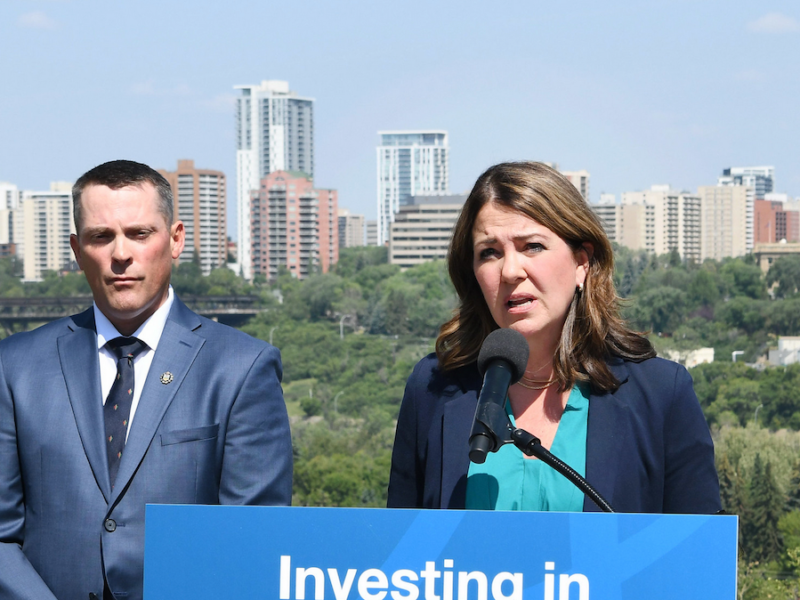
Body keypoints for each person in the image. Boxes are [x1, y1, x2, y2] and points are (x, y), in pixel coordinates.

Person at [0, 160, 293, 600]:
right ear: (77, 250)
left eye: (139, 233)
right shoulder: (15, 367)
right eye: (101, 236)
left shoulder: (241, 368)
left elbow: (252, 539)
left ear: (175, 240)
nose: (121, 254)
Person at [387, 162, 720, 514]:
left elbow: (696, 546)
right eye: (489, 252)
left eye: (532, 246)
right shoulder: (432, 388)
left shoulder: (663, 394)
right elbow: (399, 541)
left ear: (582, 263)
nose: (510, 271)